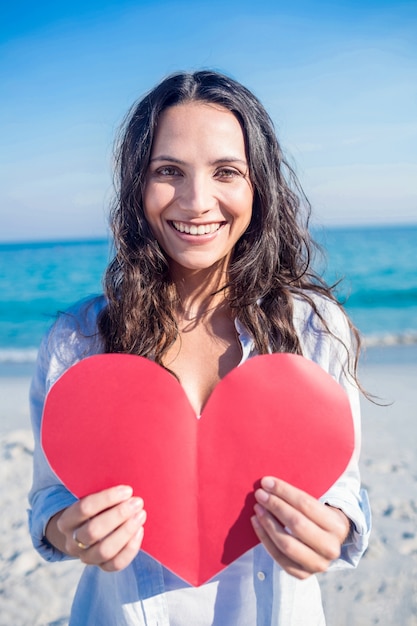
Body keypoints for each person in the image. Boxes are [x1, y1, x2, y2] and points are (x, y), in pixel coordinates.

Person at [28, 70, 371, 625]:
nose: (195, 201)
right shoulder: (79, 340)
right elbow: (48, 501)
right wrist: (70, 533)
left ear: (257, 187)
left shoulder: (313, 327)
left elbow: (345, 492)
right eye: (169, 172)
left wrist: (334, 529)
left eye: (226, 172)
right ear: (137, 187)